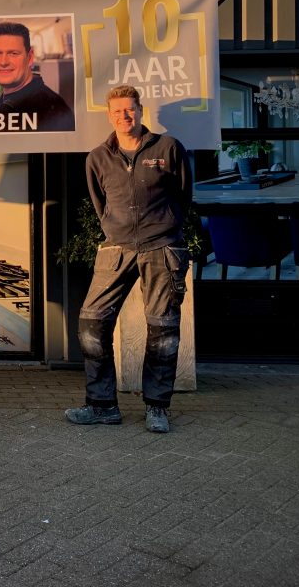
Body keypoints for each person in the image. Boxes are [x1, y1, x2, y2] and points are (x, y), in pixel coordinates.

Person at [65, 85, 192, 434]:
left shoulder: (168, 148)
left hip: (161, 248)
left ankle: (157, 407)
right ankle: (102, 406)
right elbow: (100, 204)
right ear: (110, 116)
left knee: (163, 330)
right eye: (118, 111)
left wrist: (165, 227)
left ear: (140, 110)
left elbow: (184, 197)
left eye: (130, 109)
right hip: (116, 250)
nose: (125, 115)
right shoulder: (97, 158)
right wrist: (115, 230)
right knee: (91, 324)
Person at [0, 21, 74, 132]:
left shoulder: (54, 111)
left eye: (13, 53)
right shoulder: (3, 103)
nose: (3, 62)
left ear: (30, 57)